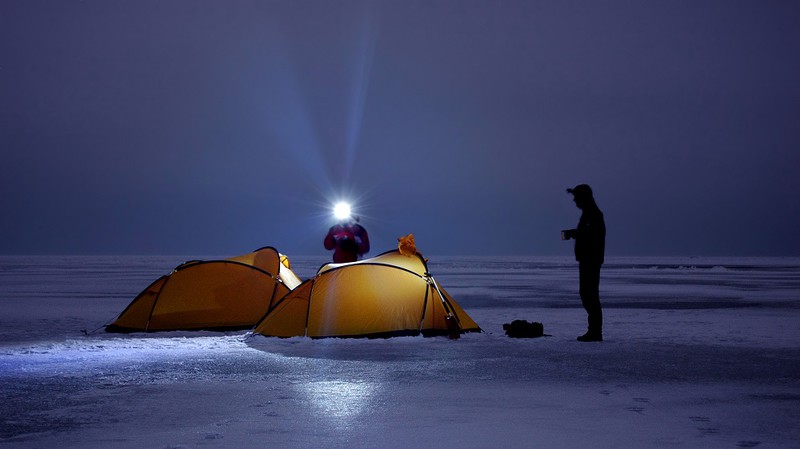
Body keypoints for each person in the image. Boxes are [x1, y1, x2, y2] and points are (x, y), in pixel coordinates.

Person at [562, 184, 606, 342]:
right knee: (587, 294)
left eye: (576, 198)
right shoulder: (589, 214)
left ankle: (595, 331)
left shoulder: (593, 215)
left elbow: (594, 237)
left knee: (590, 295)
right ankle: (594, 330)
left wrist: (578, 235)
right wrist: (576, 233)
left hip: (591, 261)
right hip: (588, 260)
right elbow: (589, 234)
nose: (574, 201)